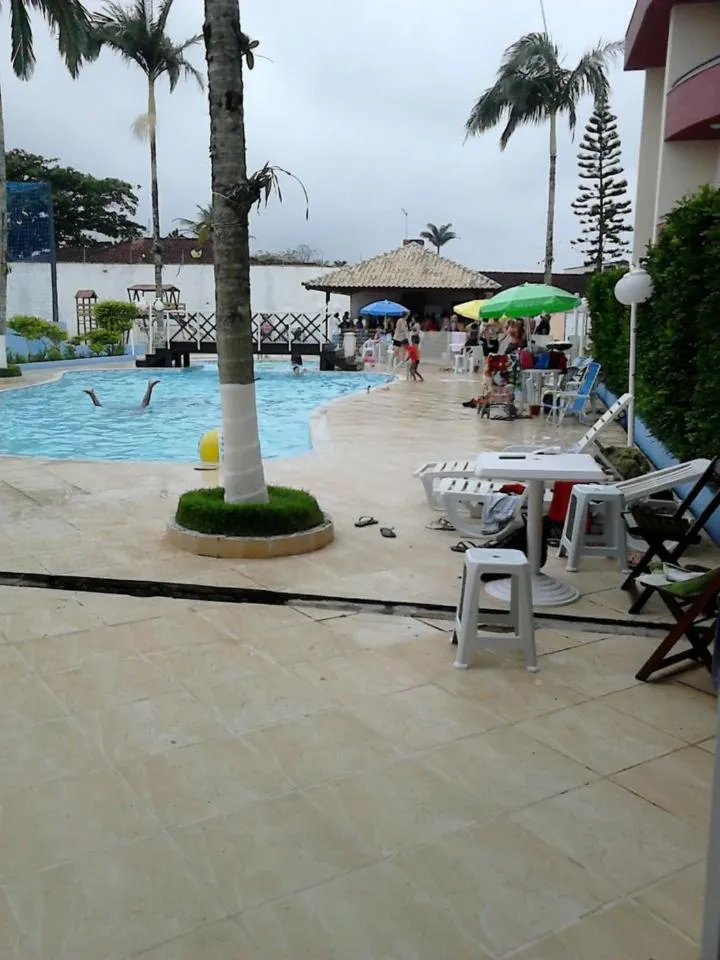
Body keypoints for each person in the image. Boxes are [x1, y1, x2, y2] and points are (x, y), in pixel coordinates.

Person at [83, 379, 160, 409]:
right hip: (127, 413)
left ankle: (92, 394)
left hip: (122, 413)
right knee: (143, 406)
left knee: (101, 407)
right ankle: (150, 387)